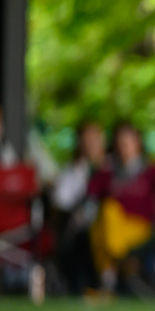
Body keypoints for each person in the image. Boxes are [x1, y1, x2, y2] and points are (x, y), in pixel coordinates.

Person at [86, 121, 155, 294]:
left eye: (127, 143)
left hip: (139, 226)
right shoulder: (107, 170)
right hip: (112, 228)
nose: (123, 148)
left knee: (102, 229)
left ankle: (109, 276)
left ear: (138, 143)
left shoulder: (151, 170)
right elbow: (90, 197)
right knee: (107, 212)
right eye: (119, 143)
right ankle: (119, 262)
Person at [51, 120, 107, 294]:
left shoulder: (112, 169)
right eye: (87, 140)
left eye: (95, 139)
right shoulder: (71, 172)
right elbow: (60, 203)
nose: (91, 145)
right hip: (80, 230)